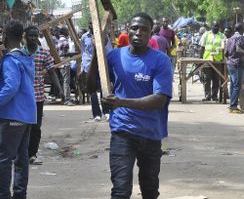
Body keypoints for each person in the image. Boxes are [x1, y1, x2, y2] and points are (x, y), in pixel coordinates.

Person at [87, 12, 172, 199]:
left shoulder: (161, 61)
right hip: (122, 132)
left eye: (144, 29)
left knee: (149, 190)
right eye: (134, 28)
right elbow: (91, 86)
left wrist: (121, 102)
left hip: (151, 134)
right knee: (120, 191)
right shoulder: (115, 57)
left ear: (151, 33)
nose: (138, 33)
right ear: (127, 30)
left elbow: (159, 100)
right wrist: (96, 52)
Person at [0, 21, 36, 199]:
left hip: (13, 114)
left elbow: (11, 87)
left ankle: (3, 195)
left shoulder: (11, 59)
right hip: (27, 115)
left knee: (4, 160)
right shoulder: (26, 56)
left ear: (5, 37)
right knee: (21, 159)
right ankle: (20, 195)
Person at [25, 25, 63, 165]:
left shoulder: (44, 53)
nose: (33, 38)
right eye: (31, 35)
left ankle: (32, 154)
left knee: (36, 127)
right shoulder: (20, 53)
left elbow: (52, 71)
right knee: (23, 126)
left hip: (38, 96)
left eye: (35, 36)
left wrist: (58, 88)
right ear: (25, 36)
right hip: (23, 96)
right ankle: (22, 153)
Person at [81, 22, 110, 121]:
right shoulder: (84, 37)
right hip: (89, 67)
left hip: (101, 66)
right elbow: (83, 52)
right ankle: (96, 114)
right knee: (92, 91)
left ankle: (106, 112)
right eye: (90, 25)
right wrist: (83, 66)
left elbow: (108, 50)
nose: (91, 27)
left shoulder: (104, 36)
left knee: (103, 89)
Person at [199, 21, 225, 101]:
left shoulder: (222, 36)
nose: (216, 28)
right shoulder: (206, 34)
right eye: (214, 26)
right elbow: (202, 47)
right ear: (212, 26)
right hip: (207, 59)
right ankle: (207, 95)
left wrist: (223, 59)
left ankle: (214, 96)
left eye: (217, 26)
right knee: (207, 78)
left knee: (216, 79)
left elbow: (224, 49)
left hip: (217, 61)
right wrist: (200, 59)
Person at [224, 22, 244, 113]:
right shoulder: (240, 38)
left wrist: (230, 59)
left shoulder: (230, 38)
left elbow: (225, 53)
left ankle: (231, 105)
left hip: (230, 64)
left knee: (233, 85)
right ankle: (233, 106)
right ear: (242, 29)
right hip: (237, 64)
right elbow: (239, 49)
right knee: (237, 86)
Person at [57, 27, 72, 105]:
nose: (68, 32)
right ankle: (67, 99)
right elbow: (65, 50)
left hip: (61, 62)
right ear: (64, 32)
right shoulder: (64, 40)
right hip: (65, 62)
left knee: (63, 81)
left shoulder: (59, 40)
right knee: (66, 81)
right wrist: (71, 54)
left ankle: (63, 97)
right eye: (67, 30)